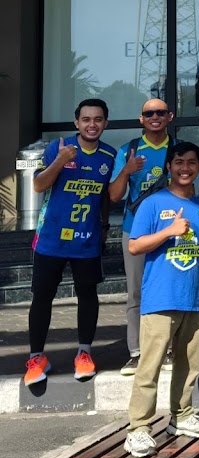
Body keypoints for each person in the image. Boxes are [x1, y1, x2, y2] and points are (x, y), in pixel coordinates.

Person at [122, 142, 199, 458]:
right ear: (169, 167)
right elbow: (135, 246)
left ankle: (182, 415)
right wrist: (169, 231)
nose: (185, 168)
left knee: (189, 364)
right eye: (178, 162)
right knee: (149, 367)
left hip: (193, 298)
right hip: (160, 298)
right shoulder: (153, 203)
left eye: (191, 162)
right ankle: (138, 429)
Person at [25, 99, 116, 386]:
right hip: (51, 239)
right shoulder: (59, 147)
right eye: (86, 119)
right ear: (77, 122)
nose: (92, 124)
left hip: (86, 241)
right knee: (42, 297)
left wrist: (104, 226)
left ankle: (84, 353)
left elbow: (104, 195)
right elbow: (38, 185)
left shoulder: (109, 155)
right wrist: (60, 160)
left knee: (88, 295)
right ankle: (36, 358)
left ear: (105, 123)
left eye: (98, 119)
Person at [109, 98, 176, 376]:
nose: (154, 117)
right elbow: (114, 195)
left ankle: (168, 350)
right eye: (149, 113)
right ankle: (136, 353)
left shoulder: (177, 149)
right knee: (135, 291)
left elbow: (189, 189)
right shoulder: (129, 150)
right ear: (141, 119)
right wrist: (127, 171)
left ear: (170, 116)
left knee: (168, 290)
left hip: (170, 231)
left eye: (160, 112)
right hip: (135, 229)